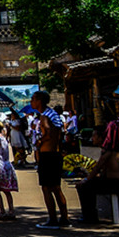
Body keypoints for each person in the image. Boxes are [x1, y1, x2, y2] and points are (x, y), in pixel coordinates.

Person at [73, 125, 119, 225]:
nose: (92, 138)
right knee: (88, 184)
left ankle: (90, 217)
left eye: (94, 136)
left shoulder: (108, 150)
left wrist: (86, 179)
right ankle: (90, 215)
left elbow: (98, 167)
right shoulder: (109, 148)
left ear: (101, 137)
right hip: (115, 182)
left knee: (84, 186)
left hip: (118, 184)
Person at [32, 90, 72, 229]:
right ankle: (64, 218)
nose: (31, 102)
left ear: (39, 101)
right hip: (55, 154)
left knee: (46, 188)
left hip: (47, 155)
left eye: (33, 99)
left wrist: (39, 141)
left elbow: (48, 132)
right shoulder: (53, 114)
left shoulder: (44, 116)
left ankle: (53, 219)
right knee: (56, 187)